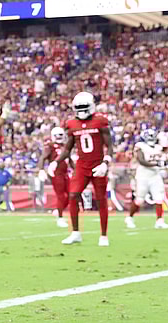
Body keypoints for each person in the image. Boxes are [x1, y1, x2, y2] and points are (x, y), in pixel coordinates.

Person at [51, 91, 115, 246]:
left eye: (83, 107)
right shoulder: (72, 124)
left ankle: (104, 235)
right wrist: (56, 162)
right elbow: (67, 148)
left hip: (98, 165)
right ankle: (75, 233)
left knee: (101, 200)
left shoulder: (100, 121)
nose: (81, 110)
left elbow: (110, 146)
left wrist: (105, 163)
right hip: (81, 165)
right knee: (73, 195)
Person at [125, 128, 168, 229]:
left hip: (155, 175)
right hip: (143, 176)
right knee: (139, 199)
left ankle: (159, 220)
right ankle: (129, 217)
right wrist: (157, 163)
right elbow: (141, 161)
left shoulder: (158, 147)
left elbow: (166, 152)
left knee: (159, 198)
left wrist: (165, 162)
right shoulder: (140, 146)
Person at [39, 127, 71, 227]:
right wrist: (41, 170)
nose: (60, 137)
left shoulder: (65, 146)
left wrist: (76, 170)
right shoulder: (51, 146)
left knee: (72, 195)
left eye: (61, 135)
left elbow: (70, 160)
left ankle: (58, 210)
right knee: (61, 196)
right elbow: (43, 157)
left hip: (65, 174)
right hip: (56, 173)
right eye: (58, 135)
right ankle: (60, 218)